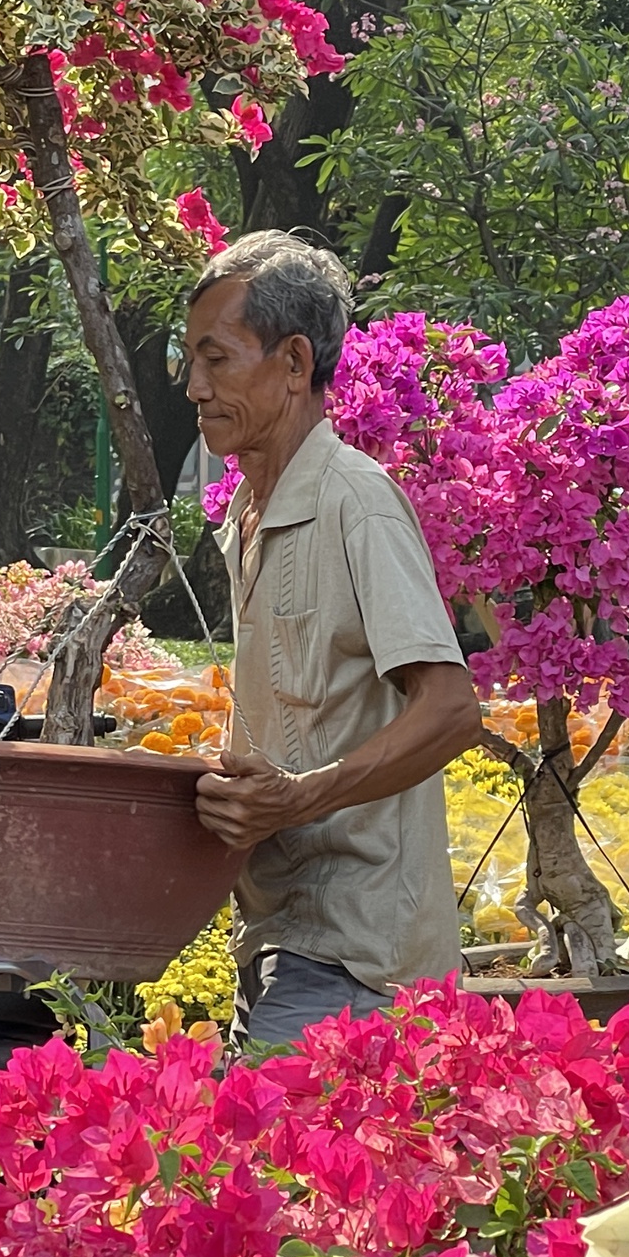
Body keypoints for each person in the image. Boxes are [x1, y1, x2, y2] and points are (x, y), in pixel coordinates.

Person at [183, 233, 482, 1047]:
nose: (194, 386)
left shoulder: (358, 500)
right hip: (279, 934)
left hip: (357, 956)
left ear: (292, 362)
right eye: (190, 361)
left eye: (215, 359)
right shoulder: (246, 515)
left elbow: (453, 710)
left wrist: (299, 795)